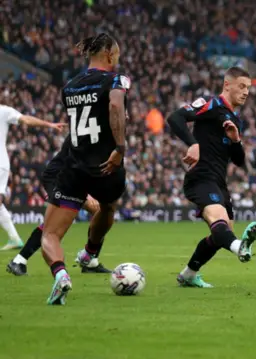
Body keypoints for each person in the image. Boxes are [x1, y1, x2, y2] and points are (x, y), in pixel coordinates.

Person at [41, 33, 129, 305]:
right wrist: (120, 148)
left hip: (75, 167)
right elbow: (115, 104)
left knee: (51, 234)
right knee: (108, 207)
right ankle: (90, 252)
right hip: (107, 166)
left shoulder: (69, 87)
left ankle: (61, 274)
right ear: (110, 55)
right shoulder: (116, 79)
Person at [167, 66, 256, 288]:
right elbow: (175, 118)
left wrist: (236, 139)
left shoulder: (235, 119)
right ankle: (241, 247)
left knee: (222, 232)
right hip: (201, 176)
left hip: (219, 181)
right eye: (241, 86)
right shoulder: (211, 104)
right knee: (220, 225)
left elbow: (238, 160)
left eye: (248, 88)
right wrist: (193, 144)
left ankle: (188, 274)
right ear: (227, 85)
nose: (246, 92)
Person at [6, 136, 111, 276]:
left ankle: (91, 261)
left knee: (100, 211)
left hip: (71, 179)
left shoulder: (94, 130)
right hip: (59, 178)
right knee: (55, 222)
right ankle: (19, 261)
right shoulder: (86, 131)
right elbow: (76, 163)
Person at [0, 106, 65, 250]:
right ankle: (14, 238)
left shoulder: (3, 111)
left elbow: (26, 120)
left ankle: (14, 238)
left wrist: (49, 125)